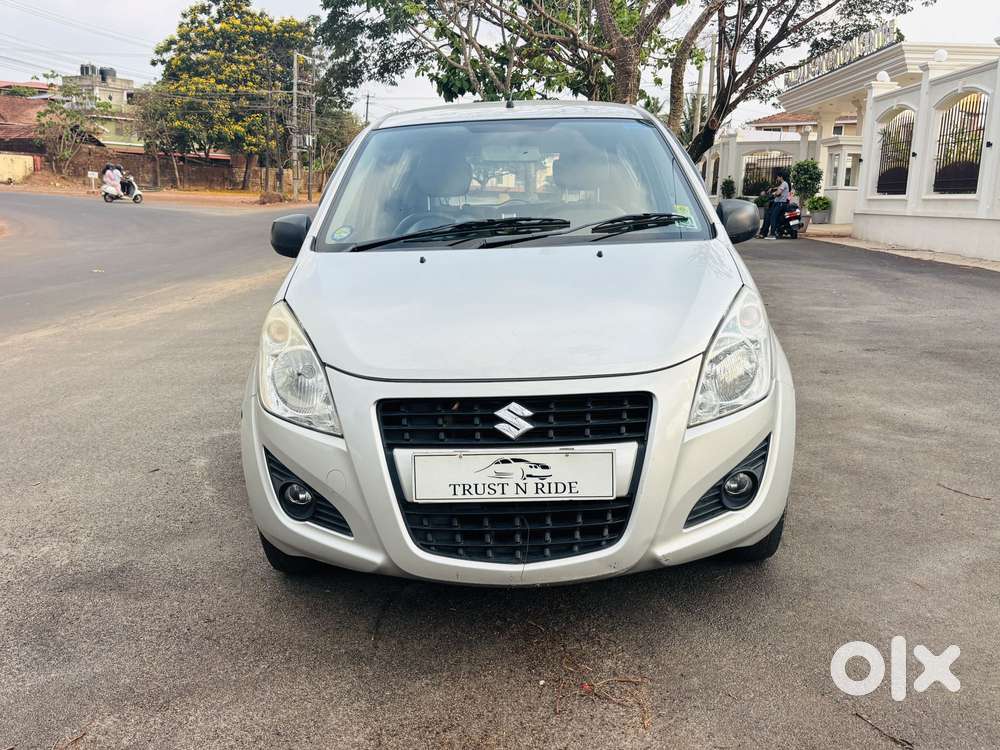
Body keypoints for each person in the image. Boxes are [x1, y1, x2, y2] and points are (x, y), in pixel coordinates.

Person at [764, 173, 790, 240]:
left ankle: (772, 234)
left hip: (780, 204)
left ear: (781, 177)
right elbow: (778, 188)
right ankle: (775, 232)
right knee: (775, 218)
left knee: (773, 218)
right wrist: (772, 189)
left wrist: (773, 194)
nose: (777, 178)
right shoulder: (783, 184)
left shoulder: (784, 183)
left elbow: (778, 193)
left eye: (778, 177)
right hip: (779, 203)